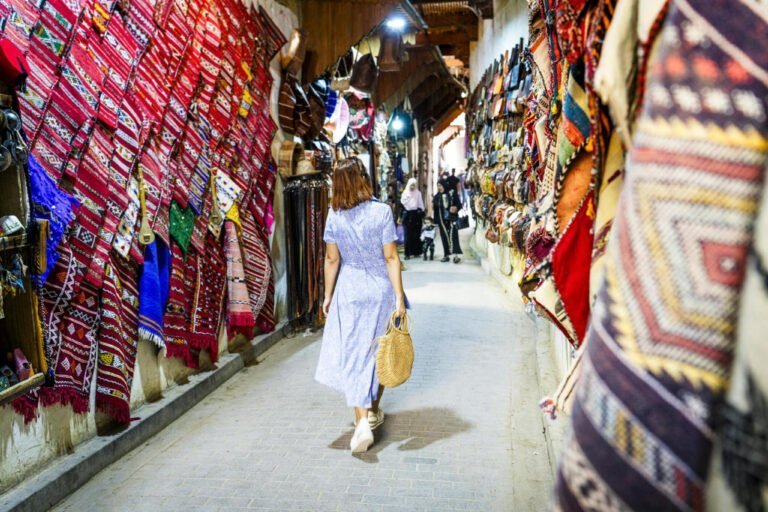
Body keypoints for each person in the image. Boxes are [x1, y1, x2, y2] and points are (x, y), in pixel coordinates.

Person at [316, 158, 407, 454]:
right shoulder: (382, 212)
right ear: (363, 179)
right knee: (380, 349)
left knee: (356, 354)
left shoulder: (334, 216)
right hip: (380, 288)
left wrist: (327, 295)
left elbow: (332, 260)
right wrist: (398, 297)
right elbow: (392, 257)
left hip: (351, 289)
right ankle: (371, 412)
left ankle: (362, 421)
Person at [433, 180, 463, 263]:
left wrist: (456, 208)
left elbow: (459, 204)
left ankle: (456, 256)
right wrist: (436, 221)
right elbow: (435, 210)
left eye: (440, 185)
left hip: (451, 219)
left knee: (453, 236)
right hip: (442, 221)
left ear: (444, 185)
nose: (439, 187)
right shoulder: (437, 197)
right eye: (438, 186)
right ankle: (446, 255)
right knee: (444, 237)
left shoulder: (452, 194)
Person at [399, 177, 424, 260]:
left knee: (416, 235)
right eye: (411, 185)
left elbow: (420, 204)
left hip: (416, 215)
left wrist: (421, 213)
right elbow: (402, 206)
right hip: (407, 215)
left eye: (414, 185)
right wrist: (400, 217)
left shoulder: (418, 193)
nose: (412, 187)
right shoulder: (405, 194)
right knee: (407, 235)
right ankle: (407, 253)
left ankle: (416, 252)